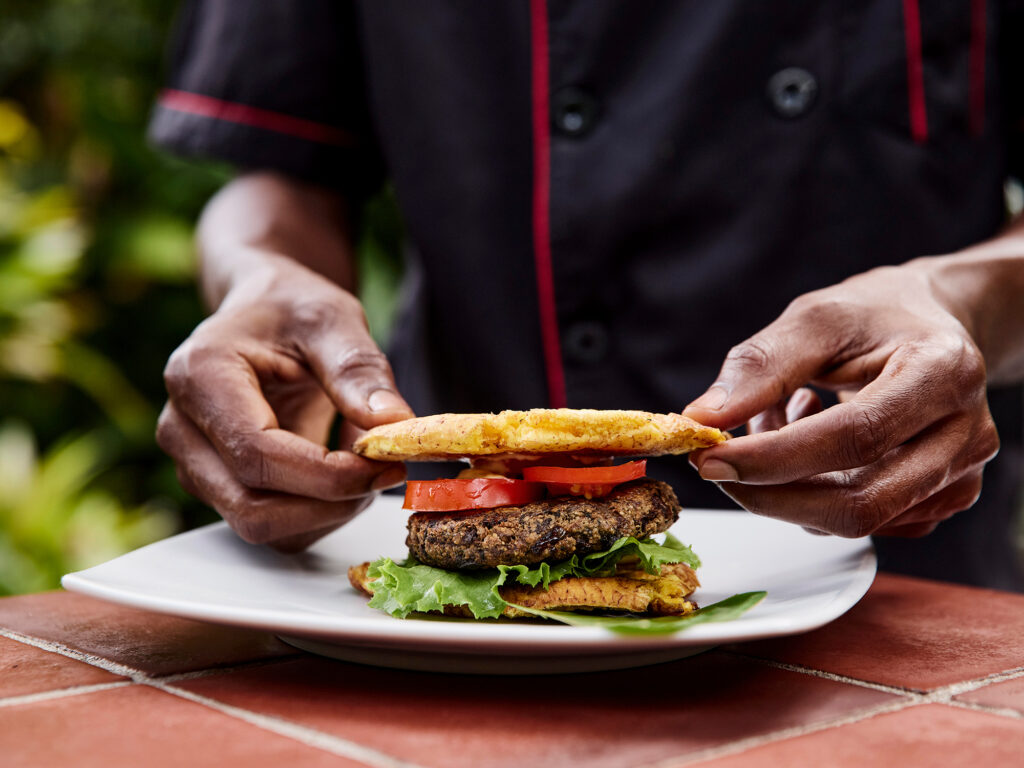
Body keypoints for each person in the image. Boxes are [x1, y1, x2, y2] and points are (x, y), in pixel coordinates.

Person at [151, 1, 1024, 588]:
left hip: (905, 567)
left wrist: (960, 298)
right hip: (437, 562)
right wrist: (260, 279)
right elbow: (280, 176)